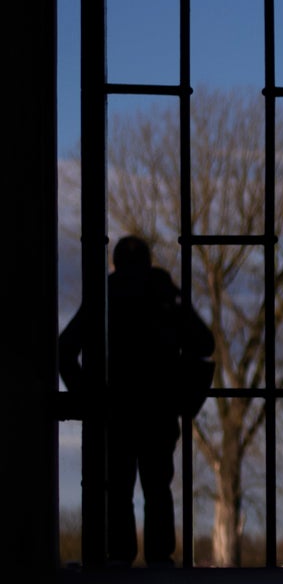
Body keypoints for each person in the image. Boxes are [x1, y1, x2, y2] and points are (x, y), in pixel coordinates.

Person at [58, 235, 215, 567]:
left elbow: (66, 348)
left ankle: (119, 558)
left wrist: (86, 395)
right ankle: (160, 558)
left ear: (115, 262)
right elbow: (204, 344)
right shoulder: (163, 293)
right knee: (158, 489)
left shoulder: (104, 294)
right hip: (158, 409)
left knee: (117, 490)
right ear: (148, 261)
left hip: (114, 410)